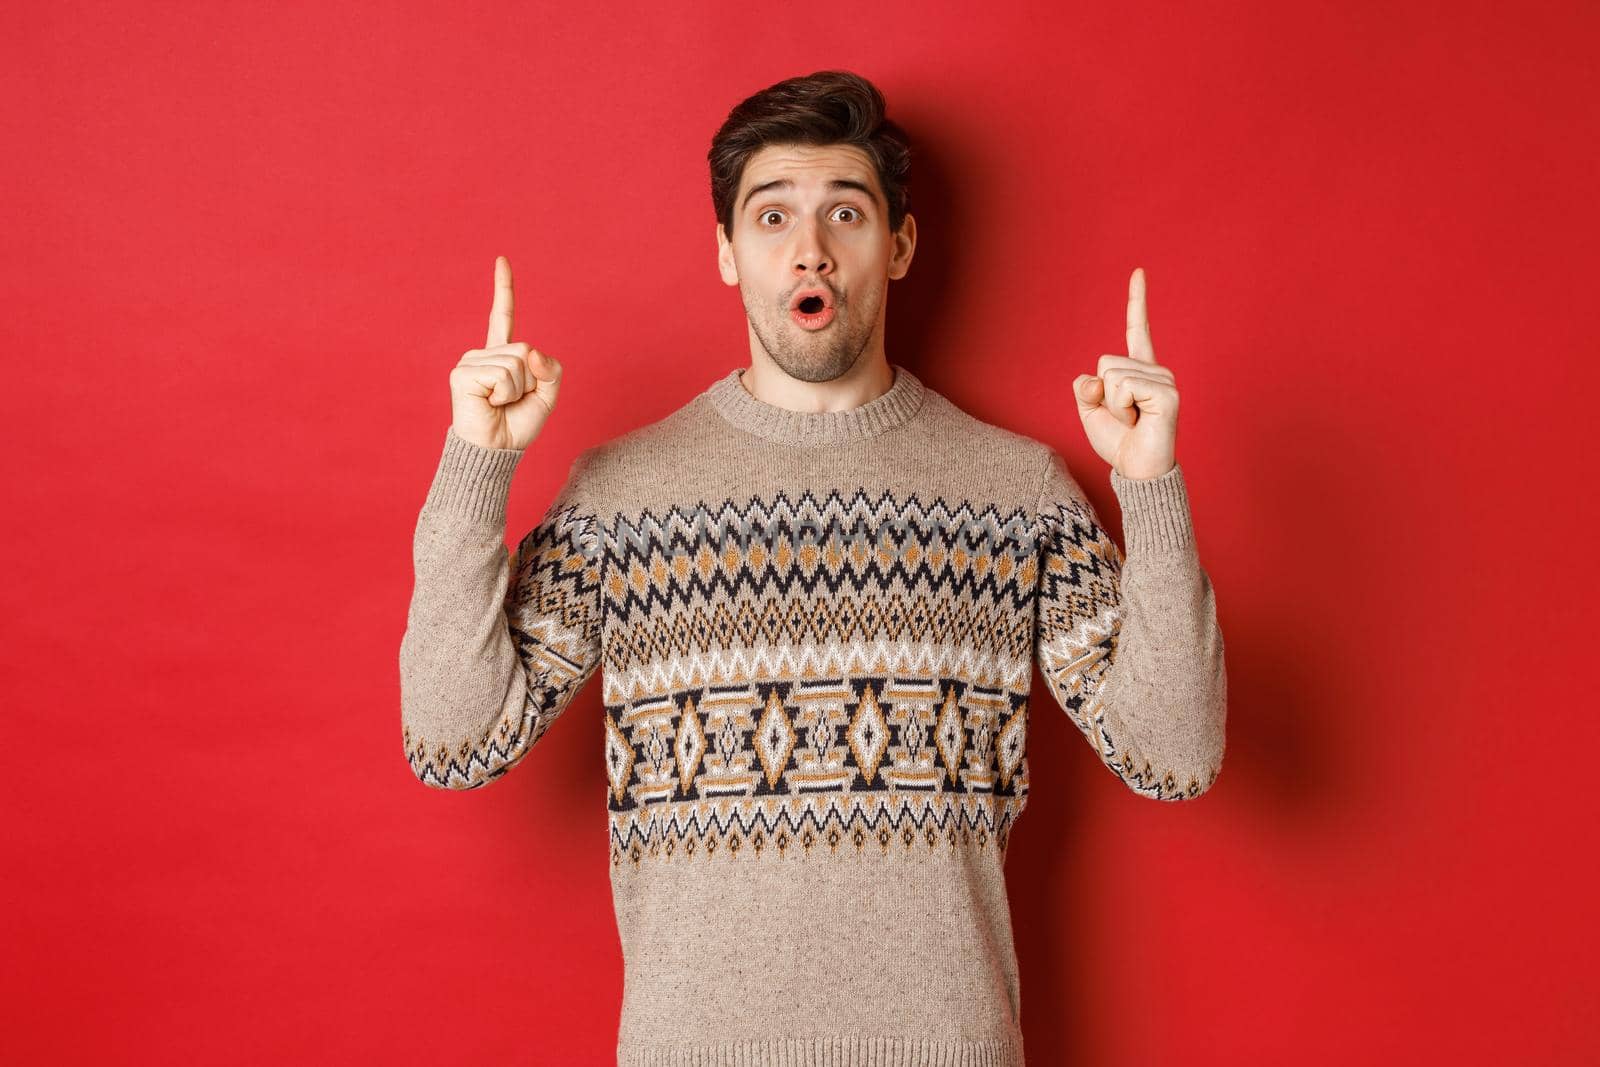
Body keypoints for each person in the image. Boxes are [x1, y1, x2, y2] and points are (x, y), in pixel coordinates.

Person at [399, 69, 1226, 1067]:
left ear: (901, 245)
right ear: (725, 253)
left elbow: (1174, 753)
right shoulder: (622, 495)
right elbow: (452, 741)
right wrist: (475, 461)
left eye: (847, 211)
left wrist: (1150, 484)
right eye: (771, 215)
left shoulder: (1015, 493)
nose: (810, 248)